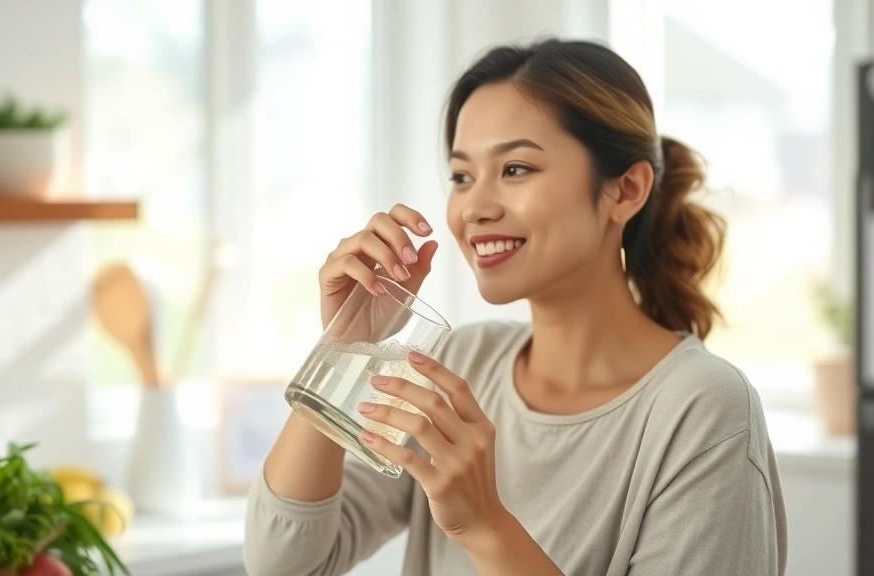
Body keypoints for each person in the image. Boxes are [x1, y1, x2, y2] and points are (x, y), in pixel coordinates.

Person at [243, 38, 787, 576]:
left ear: (625, 190)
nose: (474, 208)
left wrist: (483, 527)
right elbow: (283, 564)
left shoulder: (704, 411)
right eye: (461, 176)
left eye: (516, 169)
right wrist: (343, 346)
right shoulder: (461, 363)